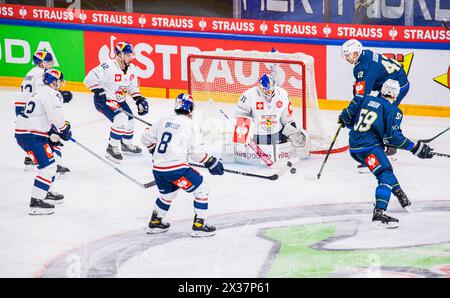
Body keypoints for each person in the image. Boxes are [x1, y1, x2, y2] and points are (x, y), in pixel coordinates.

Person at [338, 79, 433, 228]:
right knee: (385, 174)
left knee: (385, 171)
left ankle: (399, 193)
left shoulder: (366, 99)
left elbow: (348, 120)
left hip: (355, 149)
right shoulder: (393, 110)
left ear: (382, 91)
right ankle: (379, 213)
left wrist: (343, 118)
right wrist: (416, 148)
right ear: (396, 95)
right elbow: (394, 138)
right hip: (370, 148)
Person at [141, 93, 224, 237]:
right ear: (190, 109)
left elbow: (145, 138)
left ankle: (155, 223)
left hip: (158, 169)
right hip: (176, 169)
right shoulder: (192, 125)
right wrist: (211, 162)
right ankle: (199, 226)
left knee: (168, 194)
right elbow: (197, 153)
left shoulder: (163, 120)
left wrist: (153, 150)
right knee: (202, 188)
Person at [15, 69, 72, 215]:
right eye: (58, 81)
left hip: (29, 133)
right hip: (31, 135)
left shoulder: (39, 92)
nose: (60, 84)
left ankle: (45, 192)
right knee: (47, 167)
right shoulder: (52, 93)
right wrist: (64, 128)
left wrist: (51, 132)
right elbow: (55, 115)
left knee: (50, 164)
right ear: (53, 81)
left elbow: (40, 115)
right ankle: (36, 202)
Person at [341, 39, 410, 159]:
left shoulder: (364, 67)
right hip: (391, 82)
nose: (346, 58)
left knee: (381, 113)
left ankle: (391, 143)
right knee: (378, 111)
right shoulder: (365, 54)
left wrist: (350, 112)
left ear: (356, 53)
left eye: (348, 55)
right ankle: (388, 139)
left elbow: (361, 97)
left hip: (397, 87)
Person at [83, 41, 148, 163]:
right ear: (120, 55)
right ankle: (111, 147)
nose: (131, 58)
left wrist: (139, 98)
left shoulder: (132, 68)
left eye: (131, 55)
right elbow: (89, 79)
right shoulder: (108, 66)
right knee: (121, 118)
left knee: (130, 120)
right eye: (128, 55)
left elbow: (132, 86)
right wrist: (98, 91)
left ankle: (126, 145)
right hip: (105, 101)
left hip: (120, 101)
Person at [15, 50, 72, 175]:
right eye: (49, 62)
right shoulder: (42, 73)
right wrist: (61, 95)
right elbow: (46, 92)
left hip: (23, 108)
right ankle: (55, 165)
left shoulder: (31, 72)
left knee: (36, 135)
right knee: (52, 135)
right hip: (35, 110)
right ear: (42, 63)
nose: (51, 65)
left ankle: (30, 158)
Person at [233, 73, 308, 166]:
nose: (269, 93)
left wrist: (292, 131)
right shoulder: (249, 95)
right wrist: (243, 135)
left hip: (277, 132)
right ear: (260, 87)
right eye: (266, 90)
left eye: (271, 90)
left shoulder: (283, 94)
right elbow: (240, 113)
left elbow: (287, 117)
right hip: (258, 134)